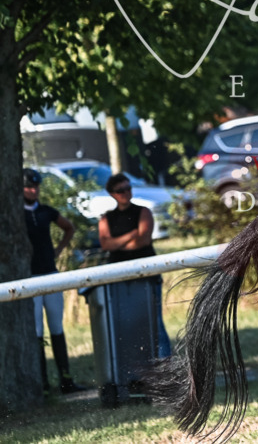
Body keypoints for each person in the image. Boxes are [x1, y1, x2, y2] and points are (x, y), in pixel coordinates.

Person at [23, 168, 87, 395]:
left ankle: (65, 378)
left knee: (56, 326)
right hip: (29, 277)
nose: (33, 191)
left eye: (35, 187)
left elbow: (68, 227)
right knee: (37, 330)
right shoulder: (17, 214)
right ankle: (43, 382)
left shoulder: (46, 212)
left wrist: (58, 249)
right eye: (29, 187)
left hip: (49, 273)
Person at [98, 173, 172, 356]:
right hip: (118, 275)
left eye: (128, 188)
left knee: (155, 323)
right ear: (112, 194)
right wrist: (131, 234)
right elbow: (106, 244)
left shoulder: (143, 211)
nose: (126, 193)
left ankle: (165, 366)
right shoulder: (106, 218)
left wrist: (118, 242)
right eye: (120, 190)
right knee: (126, 324)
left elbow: (143, 241)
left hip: (147, 274)